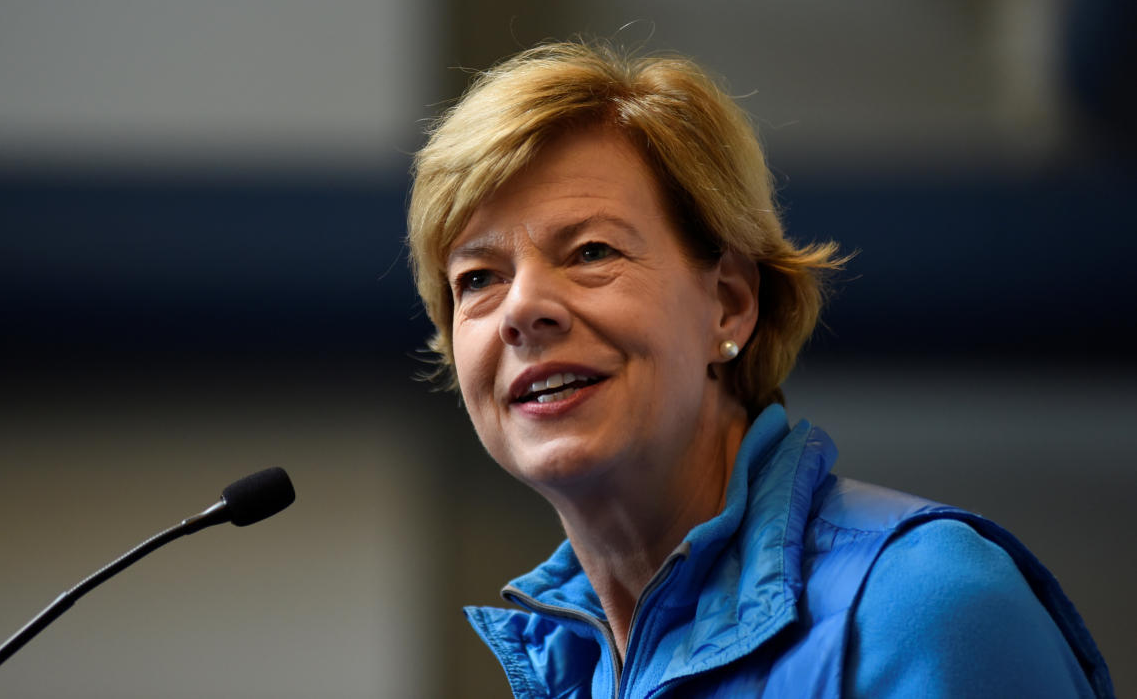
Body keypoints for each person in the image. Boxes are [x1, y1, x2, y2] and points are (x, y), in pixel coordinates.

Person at [406, 40, 1113, 698]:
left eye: (592, 251)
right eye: (476, 279)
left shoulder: (925, 605)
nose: (522, 309)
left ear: (730, 305)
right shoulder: (574, 666)